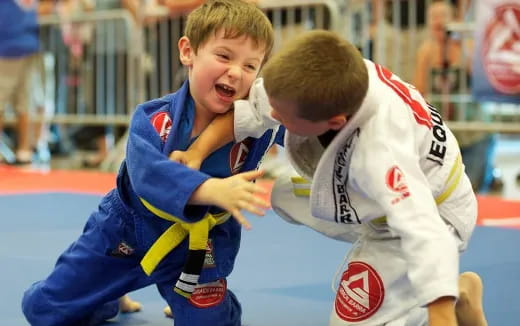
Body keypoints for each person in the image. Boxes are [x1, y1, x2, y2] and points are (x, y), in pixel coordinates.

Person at [170, 30, 488, 326]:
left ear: (335, 121)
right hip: (377, 197)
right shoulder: (321, 77)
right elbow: (253, 112)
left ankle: (444, 296)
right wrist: (197, 152)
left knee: (350, 319)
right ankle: (399, 279)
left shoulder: (380, 152)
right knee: (283, 194)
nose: (274, 117)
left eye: (283, 116)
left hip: (433, 215)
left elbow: (426, 234)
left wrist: (442, 311)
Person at [22, 1, 278, 325]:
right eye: (224, 56)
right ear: (188, 51)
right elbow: (147, 175)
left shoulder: (258, 126)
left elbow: (308, 123)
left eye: (250, 65)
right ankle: (108, 295)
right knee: (44, 311)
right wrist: (210, 188)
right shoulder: (154, 118)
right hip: (124, 233)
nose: (235, 72)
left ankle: (186, 297)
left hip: (194, 249)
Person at [413, 0, 498, 193]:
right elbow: (419, 91)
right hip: (444, 136)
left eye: (443, 17)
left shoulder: (468, 45)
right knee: (444, 193)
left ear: (454, 20)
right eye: (433, 17)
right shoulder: (426, 51)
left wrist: (457, 46)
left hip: (475, 132)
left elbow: (479, 78)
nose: (439, 22)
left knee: (474, 192)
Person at [0, 0, 42, 165]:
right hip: (23, 45)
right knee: (24, 102)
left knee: (18, 102)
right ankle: (24, 150)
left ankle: (24, 150)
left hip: (12, 47)